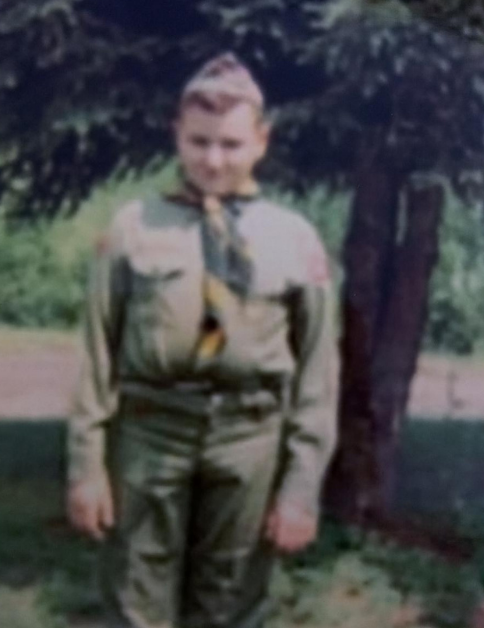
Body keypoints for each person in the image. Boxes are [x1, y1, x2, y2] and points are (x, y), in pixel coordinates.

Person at [66, 52, 339, 628]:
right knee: (136, 597)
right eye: (199, 141)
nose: (213, 159)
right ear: (177, 136)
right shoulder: (132, 227)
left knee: (232, 600)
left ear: (261, 141)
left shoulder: (292, 238)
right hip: (151, 429)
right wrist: (86, 469)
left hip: (249, 436)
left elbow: (318, 372)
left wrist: (301, 489)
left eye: (231, 144)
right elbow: (96, 355)